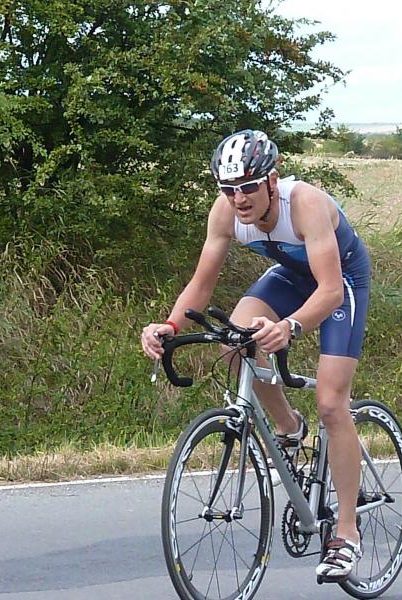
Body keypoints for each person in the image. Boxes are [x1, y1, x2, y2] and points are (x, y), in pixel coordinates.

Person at [140, 129, 370, 581]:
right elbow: (202, 284)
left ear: (272, 180)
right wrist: (170, 325)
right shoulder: (225, 211)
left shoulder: (304, 203)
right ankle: (289, 428)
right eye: (228, 189)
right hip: (290, 276)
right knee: (234, 342)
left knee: (331, 403)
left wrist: (289, 327)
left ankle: (346, 533)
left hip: (341, 283)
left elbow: (328, 291)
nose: (238, 198)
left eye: (247, 186)